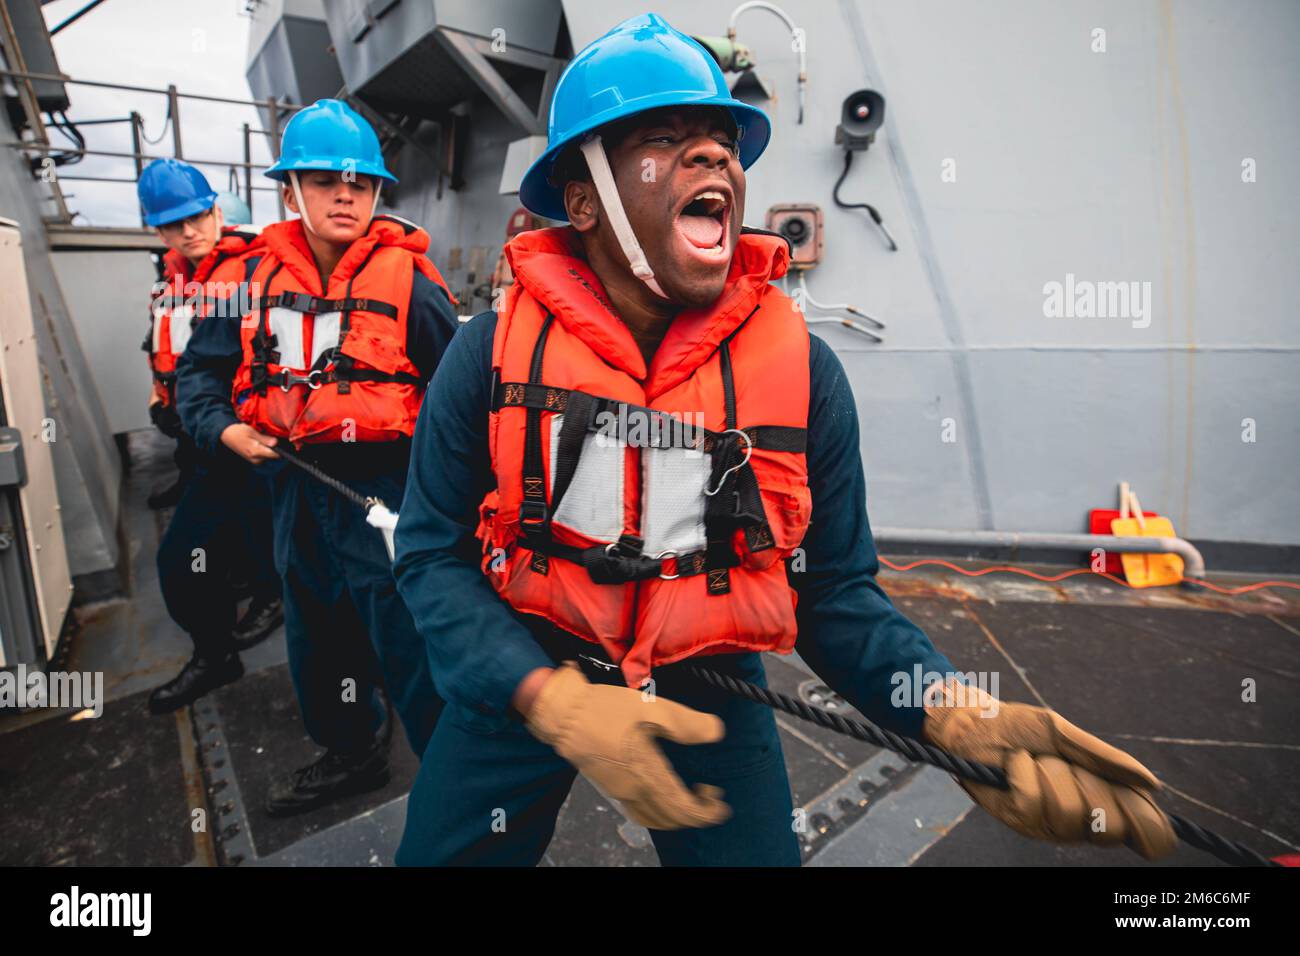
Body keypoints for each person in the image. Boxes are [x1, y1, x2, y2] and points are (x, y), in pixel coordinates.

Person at [389, 13, 1177, 865]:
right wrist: (544, 698)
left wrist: (947, 709)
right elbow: (432, 556)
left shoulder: (806, 377)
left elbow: (832, 593)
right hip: (526, 670)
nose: (715, 157)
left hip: (706, 678)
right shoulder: (489, 355)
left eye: (723, 142)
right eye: (665, 138)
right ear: (582, 199)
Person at [176, 99, 457, 816]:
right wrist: (223, 431)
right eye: (326, 180)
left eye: (360, 184)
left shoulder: (412, 287)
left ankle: (454, 776)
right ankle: (353, 748)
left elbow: (461, 402)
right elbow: (201, 375)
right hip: (295, 488)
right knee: (318, 628)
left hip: (388, 494)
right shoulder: (245, 284)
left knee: (411, 635)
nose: (346, 195)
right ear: (289, 190)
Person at [136, 158, 284, 715]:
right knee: (226, 548)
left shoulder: (248, 274)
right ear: (159, 232)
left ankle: (244, 624)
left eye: (197, 217)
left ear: (217, 212)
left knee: (188, 555)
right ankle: (236, 627)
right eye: (174, 225)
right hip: (201, 438)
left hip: (240, 443)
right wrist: (161, 400)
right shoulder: (176, 279)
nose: (189, 231)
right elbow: (164, 347)